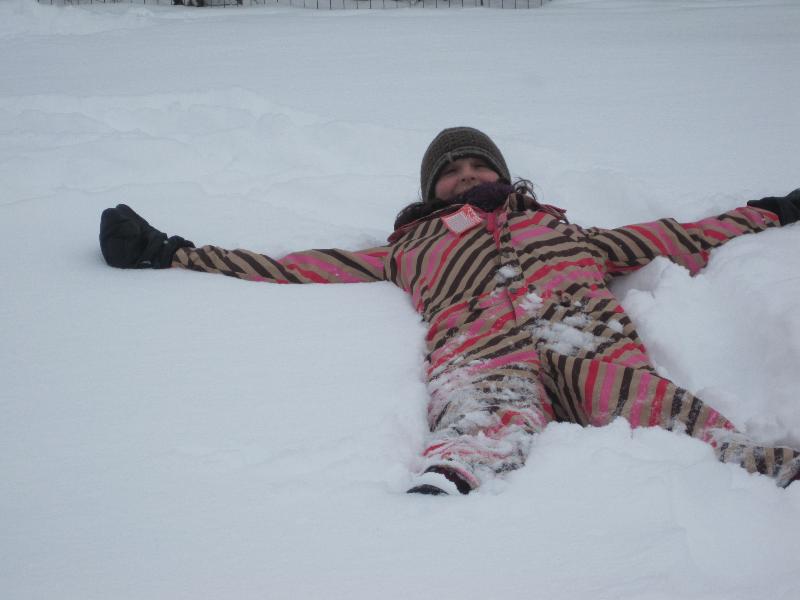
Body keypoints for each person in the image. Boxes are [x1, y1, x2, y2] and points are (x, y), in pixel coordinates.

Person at [99, 127, 800, 495]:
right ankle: (450, 488)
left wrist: (772, 211)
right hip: (481, 352)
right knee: (479, 412)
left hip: (585, 335)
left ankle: (763, 460)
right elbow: (297, 265)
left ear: (504, 176)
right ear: (431, 189)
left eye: (478, 167)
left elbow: (678, 234)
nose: (466, 177)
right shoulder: (408, 248)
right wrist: (173, 252)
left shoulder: (564, 230)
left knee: (655, 404)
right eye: (452, 172)